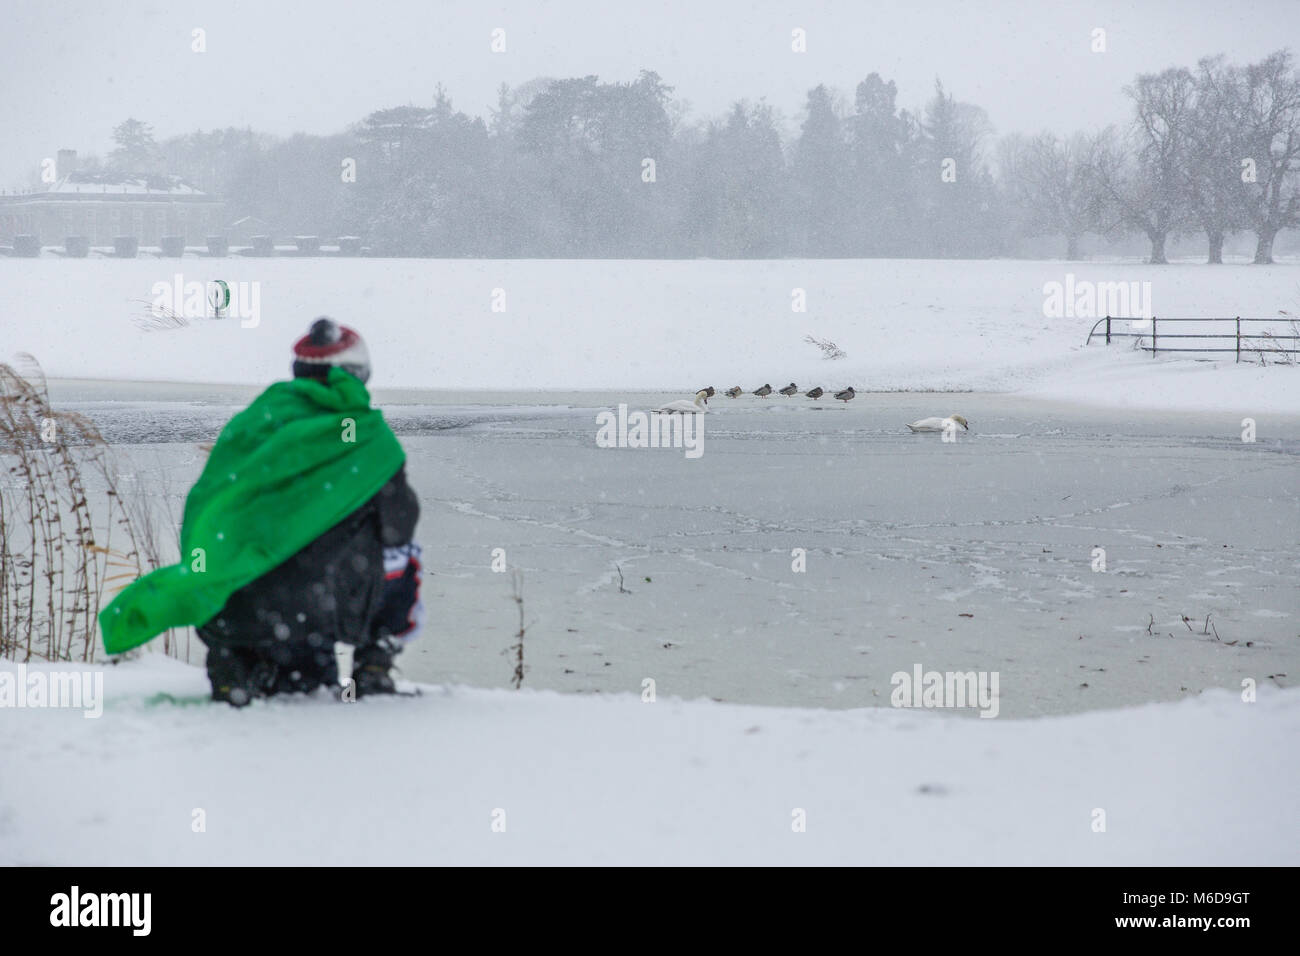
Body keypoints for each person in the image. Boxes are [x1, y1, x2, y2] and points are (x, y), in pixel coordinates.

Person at [100, 318, 421, 705]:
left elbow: (207, 506)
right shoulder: (368, 438)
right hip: (321, 610)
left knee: (230, 548)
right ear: (358, 373)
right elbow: (399, 526)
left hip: (236, 608)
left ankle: (232, 659)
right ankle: (371, 670)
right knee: (405, 558)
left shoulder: (253, 423)